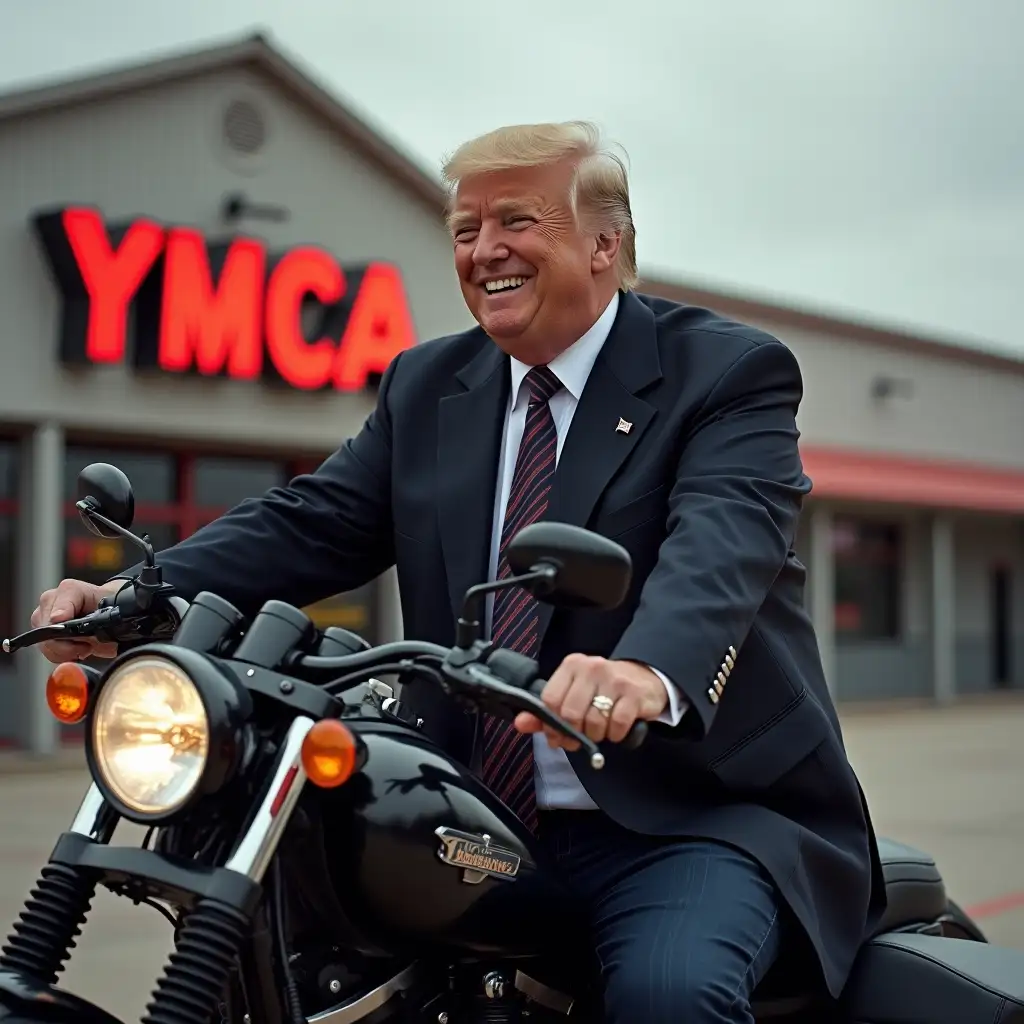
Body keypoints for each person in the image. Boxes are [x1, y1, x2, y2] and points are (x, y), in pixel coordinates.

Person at [32, 120, 884, 1024]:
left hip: (685, 818)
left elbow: (723, 543)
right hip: (474, 811)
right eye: (465, 230)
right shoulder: (429, 382)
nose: (485, 252)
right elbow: (316, 519)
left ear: (606, 243)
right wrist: (139, 594)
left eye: (517, 221)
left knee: (667, 996)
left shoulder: (725, 370)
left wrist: (647, 669)